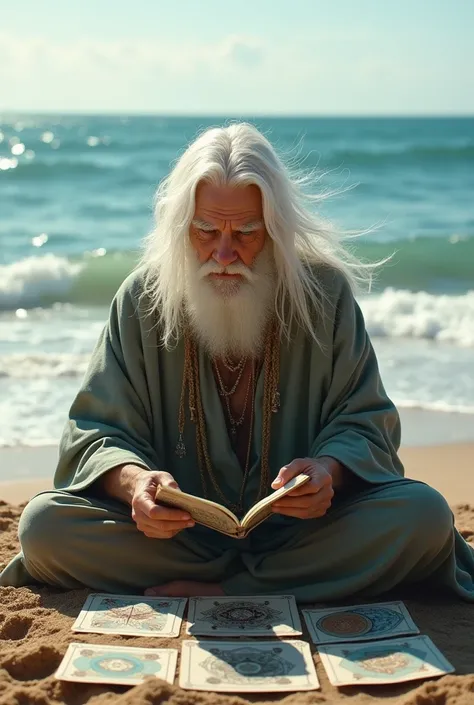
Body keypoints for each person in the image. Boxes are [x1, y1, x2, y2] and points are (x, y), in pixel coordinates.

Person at [2, 123, 473, 602]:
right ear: (182, 227)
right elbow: (95, 433)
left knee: (425, 516)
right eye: (206, 230)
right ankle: (279, 584)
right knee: (44, 527)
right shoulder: (140, 301)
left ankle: (228, 589)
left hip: (304, 537)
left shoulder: (324, 296)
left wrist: (328, 471)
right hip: (172, 540)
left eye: (246, 232)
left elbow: (366, 423)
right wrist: (137, 485)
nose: (224, 254)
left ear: (274, 230)